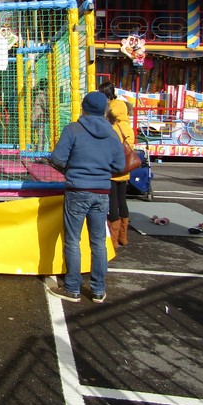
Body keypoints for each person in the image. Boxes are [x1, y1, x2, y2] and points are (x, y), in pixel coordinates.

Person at [48, 91, 125, 304]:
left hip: (77, 190)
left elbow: (57, 158)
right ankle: (98, 289)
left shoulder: (73, 129)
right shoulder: (112, 134)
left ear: (83, 107)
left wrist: (75, 168)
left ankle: (72, 288)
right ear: (104, 110)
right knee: (98, 241)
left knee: (73, 240)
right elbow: (119, 166)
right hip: (101, 193)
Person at [99, 81, 135, 247]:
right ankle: (123, 236)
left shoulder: (111, 128)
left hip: (113, 169)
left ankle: (113, 239)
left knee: (112, 203)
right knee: (122, 201)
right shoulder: (128, 126)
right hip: (126, 168)